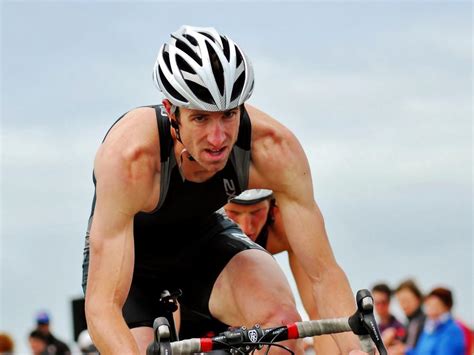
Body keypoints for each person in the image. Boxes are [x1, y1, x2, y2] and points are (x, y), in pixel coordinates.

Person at [82, 25, 369, 355]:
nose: (218, 138)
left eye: (229, 115)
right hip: (132, 258)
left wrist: (353, 349)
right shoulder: (131, 159)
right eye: (201, 119)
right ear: (171, 110)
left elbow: (323, 274)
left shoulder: (273, 148)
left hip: (201, 241)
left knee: (280, 324)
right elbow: (101, 308)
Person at [180, 189, 340, 354]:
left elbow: (317, 311)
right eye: (233, 212)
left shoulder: (284, 225)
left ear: (272, 206)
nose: (246, 226)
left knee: (287, 336)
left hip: (244, 318)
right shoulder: (199, 220)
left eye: (257, 212)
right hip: (187, 308)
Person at [405, 287, 465, 355]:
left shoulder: (451, 331)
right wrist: (406, 351)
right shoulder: (429, 328)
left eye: (435, 305)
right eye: (428, 305)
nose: (429, 309)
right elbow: (421, 353)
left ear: (446, 307)